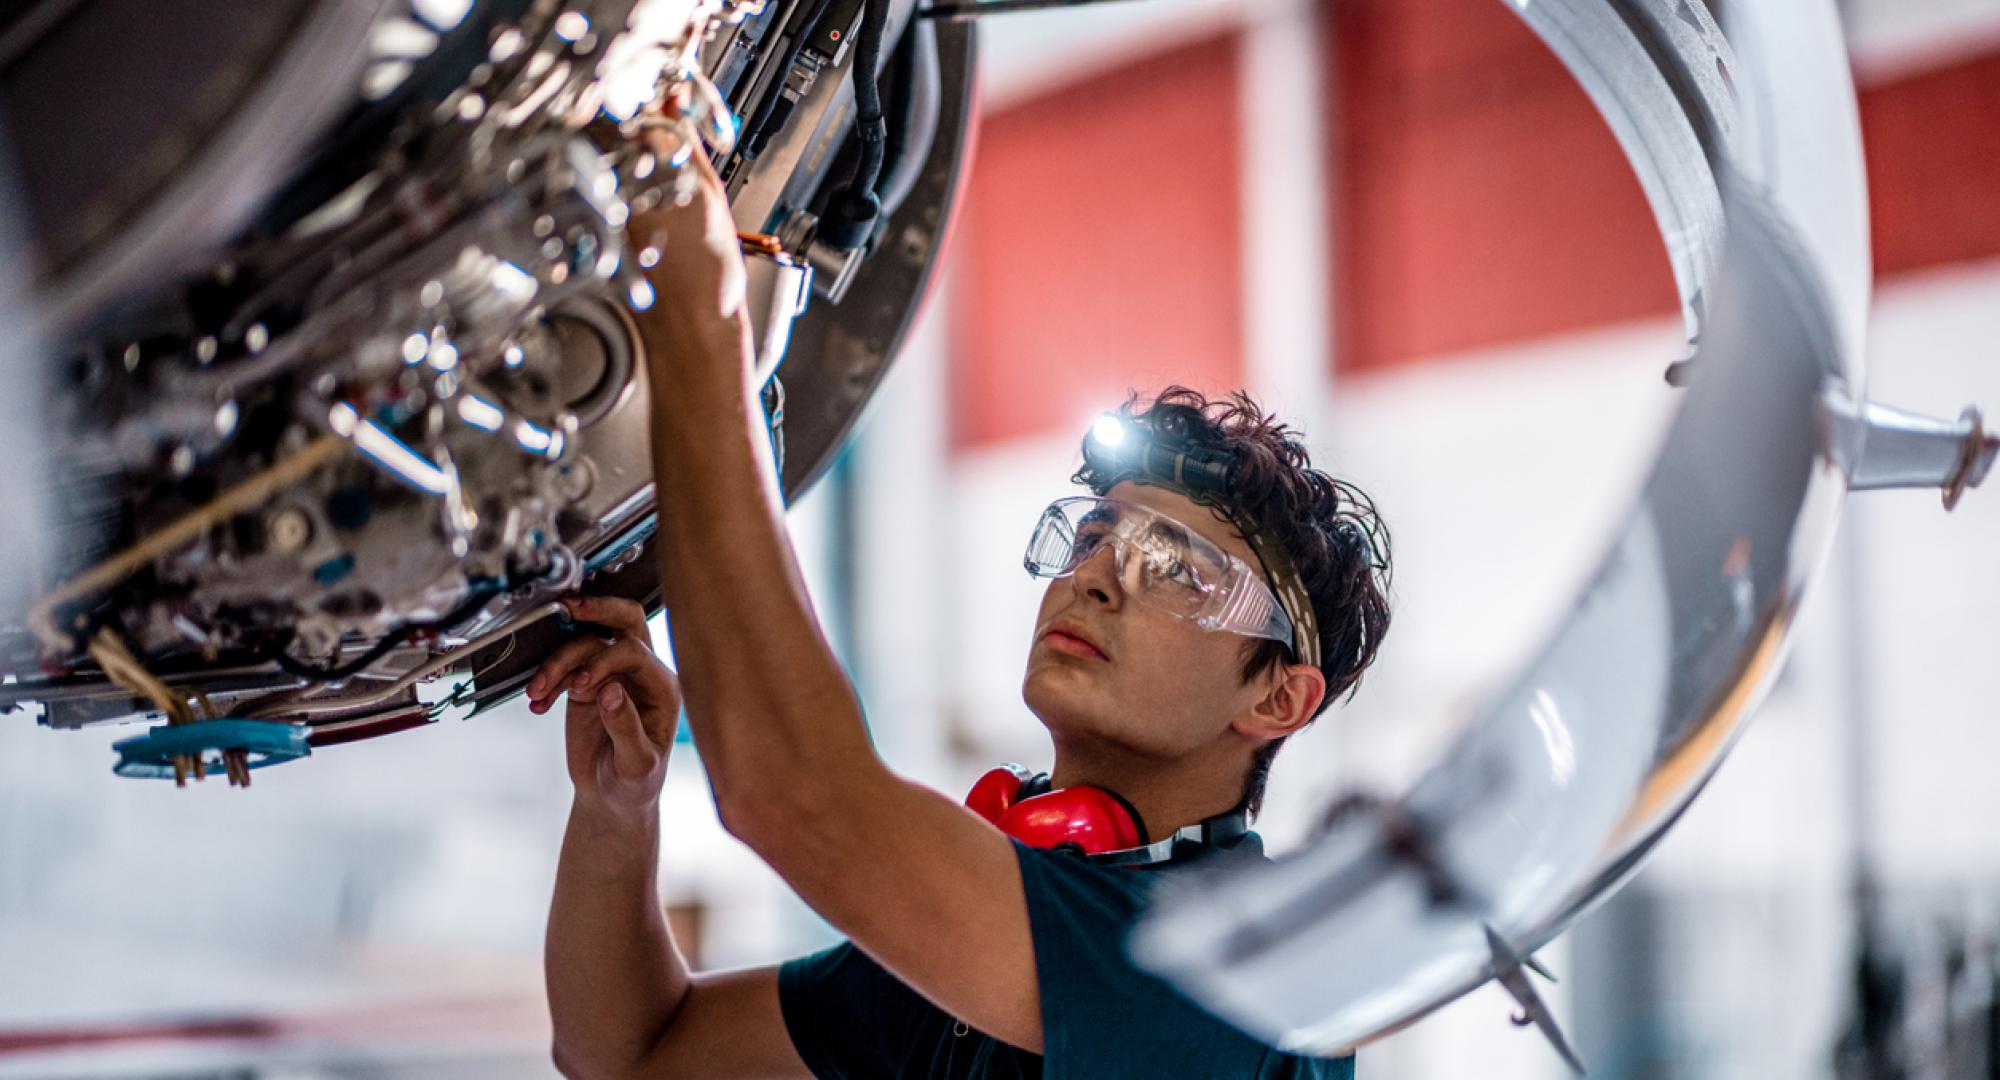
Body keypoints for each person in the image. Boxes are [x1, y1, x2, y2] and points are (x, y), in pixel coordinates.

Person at [534, 134, 1392, 1079]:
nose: (1098, 575)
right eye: (1095, 535)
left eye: (1178, 571)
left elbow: (797, 796)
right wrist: (620, 812)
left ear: (1277, 699)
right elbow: (631, 1053)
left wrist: (704, 316)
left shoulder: (1239, 967)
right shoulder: (1027, 931)